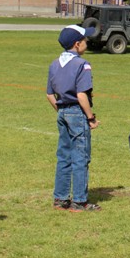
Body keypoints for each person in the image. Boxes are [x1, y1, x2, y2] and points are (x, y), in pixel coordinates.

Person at [46, 24, 100, 212]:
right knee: (80, 157)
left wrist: (62, 111)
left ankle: (60, 198)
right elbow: (82, 95)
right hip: (77, 112)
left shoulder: (54, 64)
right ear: (77, 44)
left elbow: (49, 95)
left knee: (64, 156)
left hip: (62, 111)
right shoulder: (82, 64)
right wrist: (90, 117)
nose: (87, 43)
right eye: (85, 40)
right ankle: (79, 201)